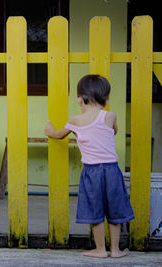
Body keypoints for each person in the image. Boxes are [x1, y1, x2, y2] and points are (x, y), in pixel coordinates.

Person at [44, 74, 134, 258]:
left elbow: (59, 134)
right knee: (114, 209)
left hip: (92, 172)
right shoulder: (110, 116)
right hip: (111, 170)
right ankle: (115, 250)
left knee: (95, 209)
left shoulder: (75, 121)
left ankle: (100, 250)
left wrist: (49, 130)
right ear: (106, 99)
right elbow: (114, 131)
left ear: (79, 99)